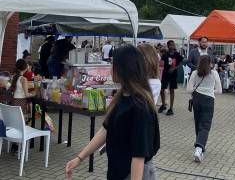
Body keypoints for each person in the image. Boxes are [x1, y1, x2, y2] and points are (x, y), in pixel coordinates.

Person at [65, 45, 160, 180]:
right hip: (119, 171)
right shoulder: (122, 97)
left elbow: (138, 156)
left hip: (134, 173)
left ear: (124, 69)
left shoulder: (140, 107)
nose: (110, 69)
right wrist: (80, 158)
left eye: (113, 64)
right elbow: (106, 129)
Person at [187, 55, 222, 162]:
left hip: (196, 99)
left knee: (198, 122)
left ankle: (199, 144)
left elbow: (189, 89)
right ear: (210, 63)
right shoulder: (214, 73)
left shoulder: (194, 73)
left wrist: (198, 90)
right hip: (208, 100)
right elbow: (219, 91)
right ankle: (199, 149)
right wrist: (210, 91)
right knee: (205, 125)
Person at [158, 40, 183, 115]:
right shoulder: (165, 54)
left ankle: (171, 108)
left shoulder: (177, 54)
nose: (172, 46)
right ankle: (163, 105)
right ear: (168, 46)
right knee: (162, 90)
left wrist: (174, 68)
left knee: (172, 90)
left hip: (173, 75)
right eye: (171, 45)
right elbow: (161, 64)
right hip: (165, 74)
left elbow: (181, 62)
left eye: (173, 45)